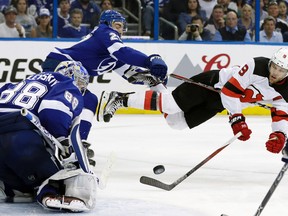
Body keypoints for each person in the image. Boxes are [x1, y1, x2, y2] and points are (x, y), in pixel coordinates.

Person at [99, 47, 288, 159]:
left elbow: (281, 111)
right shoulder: (257, 65)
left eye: (281, 70)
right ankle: (120, 98)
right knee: (171, 105)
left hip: (219, 103)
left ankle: (157, 86)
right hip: (212, 84)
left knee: (176, 123)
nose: (275, 72)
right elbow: (231, 91)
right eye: (274, 66)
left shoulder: (286, 91)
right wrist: (237, 119)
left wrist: (279, 135)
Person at [0, 61, 98, 212]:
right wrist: (64, 142)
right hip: (19, 136)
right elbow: (53, 110)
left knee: (20, 181)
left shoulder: (19, 83)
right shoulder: (65, 83)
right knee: (56, 169)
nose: (82, 87)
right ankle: (50, 191)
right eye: (81, 82)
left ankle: (9, 187)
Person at [41, 9, 168, 123]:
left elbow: (132, 75)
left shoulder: (111, 52)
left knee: (90, 100)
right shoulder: (104, 31)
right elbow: (124, 52)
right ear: (107, 23)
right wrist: (150, 60)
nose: (120, 31)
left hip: (68, 71)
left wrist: (155, 78)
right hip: (59, 64)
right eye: (117, 25)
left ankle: (81, 141)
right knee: (59, 100)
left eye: (122, 28)